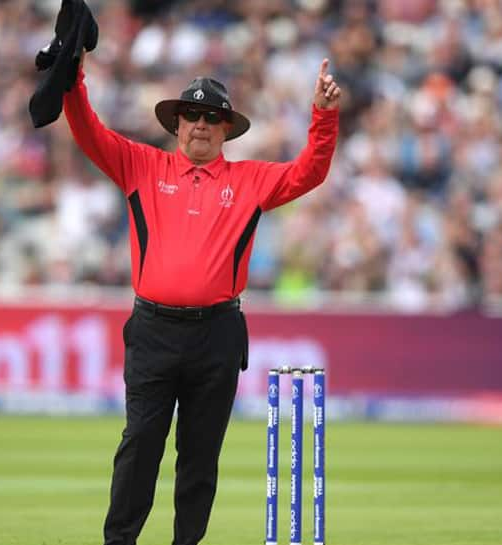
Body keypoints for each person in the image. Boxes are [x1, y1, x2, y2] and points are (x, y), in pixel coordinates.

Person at [62, 51, 341, 545]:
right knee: (140, 444)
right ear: (177, 123)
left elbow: (310, 171)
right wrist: (71, 75)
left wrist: (323, 114)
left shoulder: (250, 181)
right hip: (153, 330)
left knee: (200, 455)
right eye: (192, 114)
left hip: (217, 334)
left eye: (213, 117)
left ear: (226, 129)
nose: (201, 125)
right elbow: (87, 129)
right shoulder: (140, 166)